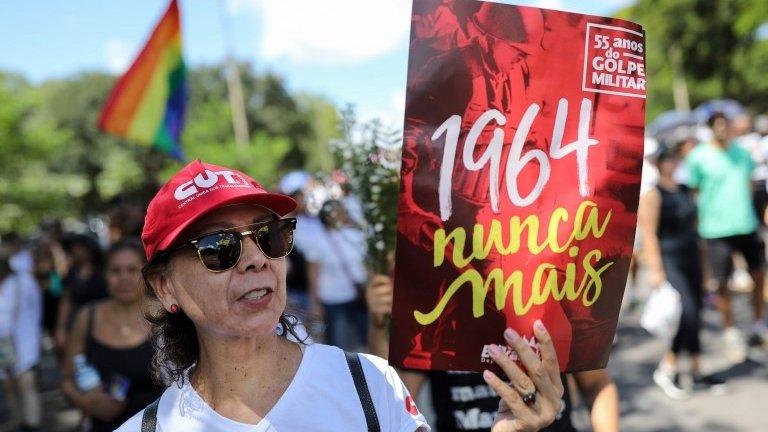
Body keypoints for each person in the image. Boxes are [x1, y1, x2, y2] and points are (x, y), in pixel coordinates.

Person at [115, 160, 565, 431]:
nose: (255, 259)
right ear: (164, 286)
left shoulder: (370, 383)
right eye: (219, 248)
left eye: (268, 236)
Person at [366, 274, 620, 432]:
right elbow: (395, 399)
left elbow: (598, 385)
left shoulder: (552, 305)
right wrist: (379, 323)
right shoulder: (437, 311)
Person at [639, 146, 726, 399]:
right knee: (686, 313)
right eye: (666, 160)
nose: (670, 164)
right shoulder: (654, 195)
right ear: (659, 164)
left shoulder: (686, 190)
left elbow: (696, 230)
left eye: (673, 159)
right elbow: (649, 234)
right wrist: (656, 270)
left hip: (691, 257)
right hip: (670, 259)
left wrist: (706, 268)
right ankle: (668, 367)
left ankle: (697, 369)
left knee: (697, 312)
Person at [685, 111, 767, 360]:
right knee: (721, 283)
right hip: (715, 229)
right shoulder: (699, 157)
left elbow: (751, 184)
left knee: (759, 274)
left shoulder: (742, 154)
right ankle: (730, 331)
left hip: (746, 224)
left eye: (725, 124)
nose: (722, 129)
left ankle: (757, 324)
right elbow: (694, 190)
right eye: (717, 125)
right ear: (711, 128)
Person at [60, 238, 164, 431]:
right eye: (115, 271)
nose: (124, 278)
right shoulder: (87, 317)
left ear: (146, 272)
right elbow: (67, 380)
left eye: (132, 270)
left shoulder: (165, 314)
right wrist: (85, 402)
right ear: (105, 275)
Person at [305, 199, 369, 350]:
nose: (341, 214)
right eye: (336, 211)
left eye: (341, 211)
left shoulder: (354, 235)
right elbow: (313, 273)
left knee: (365, 340)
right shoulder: (318, 241)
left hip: (359, 295)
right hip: (334, 299)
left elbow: (365, 265)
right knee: (340, 344)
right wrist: (315, 303)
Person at [0, 246, 43, 431]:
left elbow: (37, 307)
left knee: (26, 382)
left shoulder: (23, 281)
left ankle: (32, 424)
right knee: (9, 386)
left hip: (24, 341)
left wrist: (35, 337)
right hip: (2, 346)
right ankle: (19, 421)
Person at [55, 234, 108, 352]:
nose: (78, 252)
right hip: (77, 322)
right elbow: (66, 301)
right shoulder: (72, 273)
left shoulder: (103, 271)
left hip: (101, 320)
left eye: (81, 248)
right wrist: (61, 328)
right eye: (75, 249)